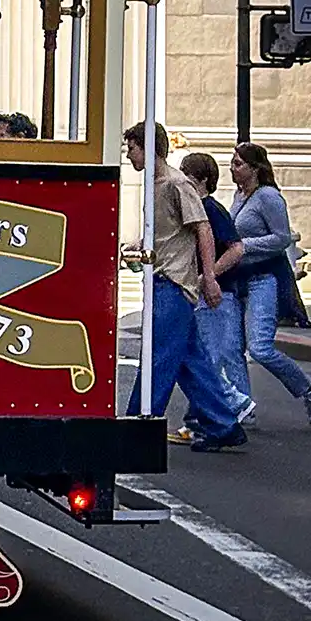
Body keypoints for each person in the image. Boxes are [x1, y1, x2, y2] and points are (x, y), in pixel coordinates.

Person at [122, 123, 244, 449]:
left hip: (174, 284)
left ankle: (137, 425)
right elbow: (168, 235)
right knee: (191, 362)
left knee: (158, 357)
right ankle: (223, 423)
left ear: (147, 147)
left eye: (132, 147)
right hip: (165, 279)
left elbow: (203, 230)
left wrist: (210, 278)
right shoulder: (156, 184)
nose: (129, 154)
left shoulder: (177, 185)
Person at [230, 142, 311, 425]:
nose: (232, 169)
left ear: (254, 168)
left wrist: (243, 245)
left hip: (264, 279)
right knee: (233, 347)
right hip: (240, 280)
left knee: (260, 347)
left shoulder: (268, 197)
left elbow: (281, 238)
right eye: (232, 163)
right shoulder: (239, 194)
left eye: (238, 164)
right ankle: (242, 407)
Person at [178, 152, 254, 428]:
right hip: (208, 292)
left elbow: (236, 248)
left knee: (206, 358)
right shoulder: (198, 208)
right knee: (199, 357)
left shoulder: (210, 209)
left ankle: (234, 404)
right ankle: (199, 417)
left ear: (202, 180)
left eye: (187, 176)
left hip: (217, 295)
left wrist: (208, 276)